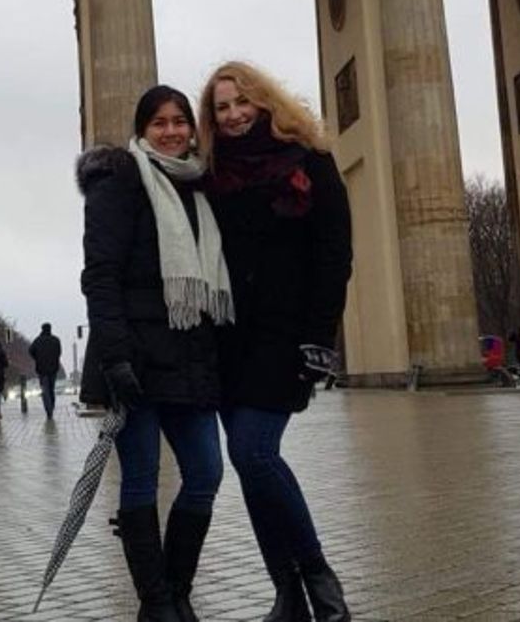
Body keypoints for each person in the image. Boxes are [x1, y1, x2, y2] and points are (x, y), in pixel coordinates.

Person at [200, 61, 353, 622]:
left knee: (254, 452)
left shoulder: (310, 160)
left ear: (264, 102)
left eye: (242, 102)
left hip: (284, 337)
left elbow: (335, 254)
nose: (235, 115)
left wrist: (319, 338)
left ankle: (321, 586)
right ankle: (287, 595)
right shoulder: (210, 172)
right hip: (226, 340)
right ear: (211, 118)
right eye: (222, 107)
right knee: (252, 466)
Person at [78, 84, 230, 622]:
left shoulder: (201, 187)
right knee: (140, 479)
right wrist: (115, 356)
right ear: (142, 129)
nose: (171, 131)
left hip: (190, 357)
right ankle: (158, 604)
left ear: (192, 128)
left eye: (179, 121)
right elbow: (101, 274)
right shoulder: (118, 181)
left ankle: (176, 588)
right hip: (138, 359)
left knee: (206, 473)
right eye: (158, 122)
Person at [28, 323, 64, 419]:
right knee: (51, 389)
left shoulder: (38, 340)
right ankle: (51, 405)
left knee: (45, 390)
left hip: (42, 369)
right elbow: (59, 352)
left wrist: (37, 358)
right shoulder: (56, 340)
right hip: (53, 368)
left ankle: (49, 410)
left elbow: (30, 351)